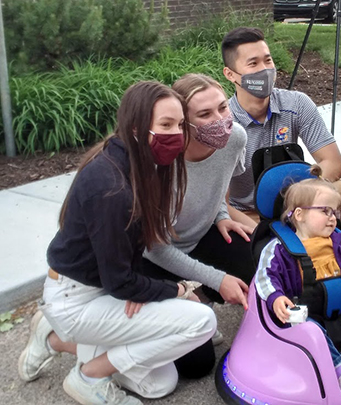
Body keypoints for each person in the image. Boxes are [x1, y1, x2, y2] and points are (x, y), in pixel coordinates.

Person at [18, 81, 222, 405]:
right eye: (166, 125)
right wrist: (177, 291)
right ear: (136, 127)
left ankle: (54, 338)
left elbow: (123, 268)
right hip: (77, 298)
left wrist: (140, 290)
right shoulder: (112, 186)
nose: (177, 134)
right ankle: (87, 377)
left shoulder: (136, 161)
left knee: (161, 384)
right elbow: (119, 281)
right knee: (202, 321)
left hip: (101, 287)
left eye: (181, 124)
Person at [254, 166, 341, 393]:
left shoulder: (338, 240)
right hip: (305, 313)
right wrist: (276, 298)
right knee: (312, 330)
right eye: (325, 212)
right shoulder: (279, 248)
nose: (333, 219)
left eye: (335, 212)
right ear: (299, 215)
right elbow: (264, 277)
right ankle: (338, 368)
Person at [221, 27, 341, 241]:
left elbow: (332, 162)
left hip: (300, 201)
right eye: (253, 64)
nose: (265, 69)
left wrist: (301, 199)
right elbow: (220, 201)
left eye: (268, 61)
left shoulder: (296, 104)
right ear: (230, 74)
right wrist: (266, 232)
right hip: (248, 212)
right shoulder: (225, 124)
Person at [141, 74, 253, 337]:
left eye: (223, 107)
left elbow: (221, 182)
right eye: (204, 114)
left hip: (199, 237)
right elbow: (154, 248)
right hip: (151, 255)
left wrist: (222, 214)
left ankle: (201, 295)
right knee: (196, 362)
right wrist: (218, 278)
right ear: (183, 122)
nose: (219, 120)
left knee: (258, 262)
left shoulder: (235, 138)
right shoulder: (161, 160)